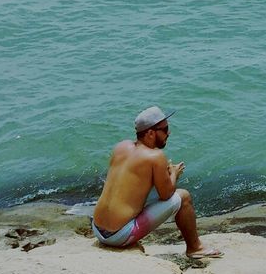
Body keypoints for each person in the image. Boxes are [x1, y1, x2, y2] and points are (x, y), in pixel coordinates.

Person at [91, 106, 221, 258]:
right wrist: (174, 174)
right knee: (184, 197)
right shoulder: (155, 156)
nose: (169, 133)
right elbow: (166, 195)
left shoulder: (121, 146)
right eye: (165, 129)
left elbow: (131, 183)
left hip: (97, 229)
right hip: (118, 236)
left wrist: (162, 175)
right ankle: (195, 248)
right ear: (151, 133)